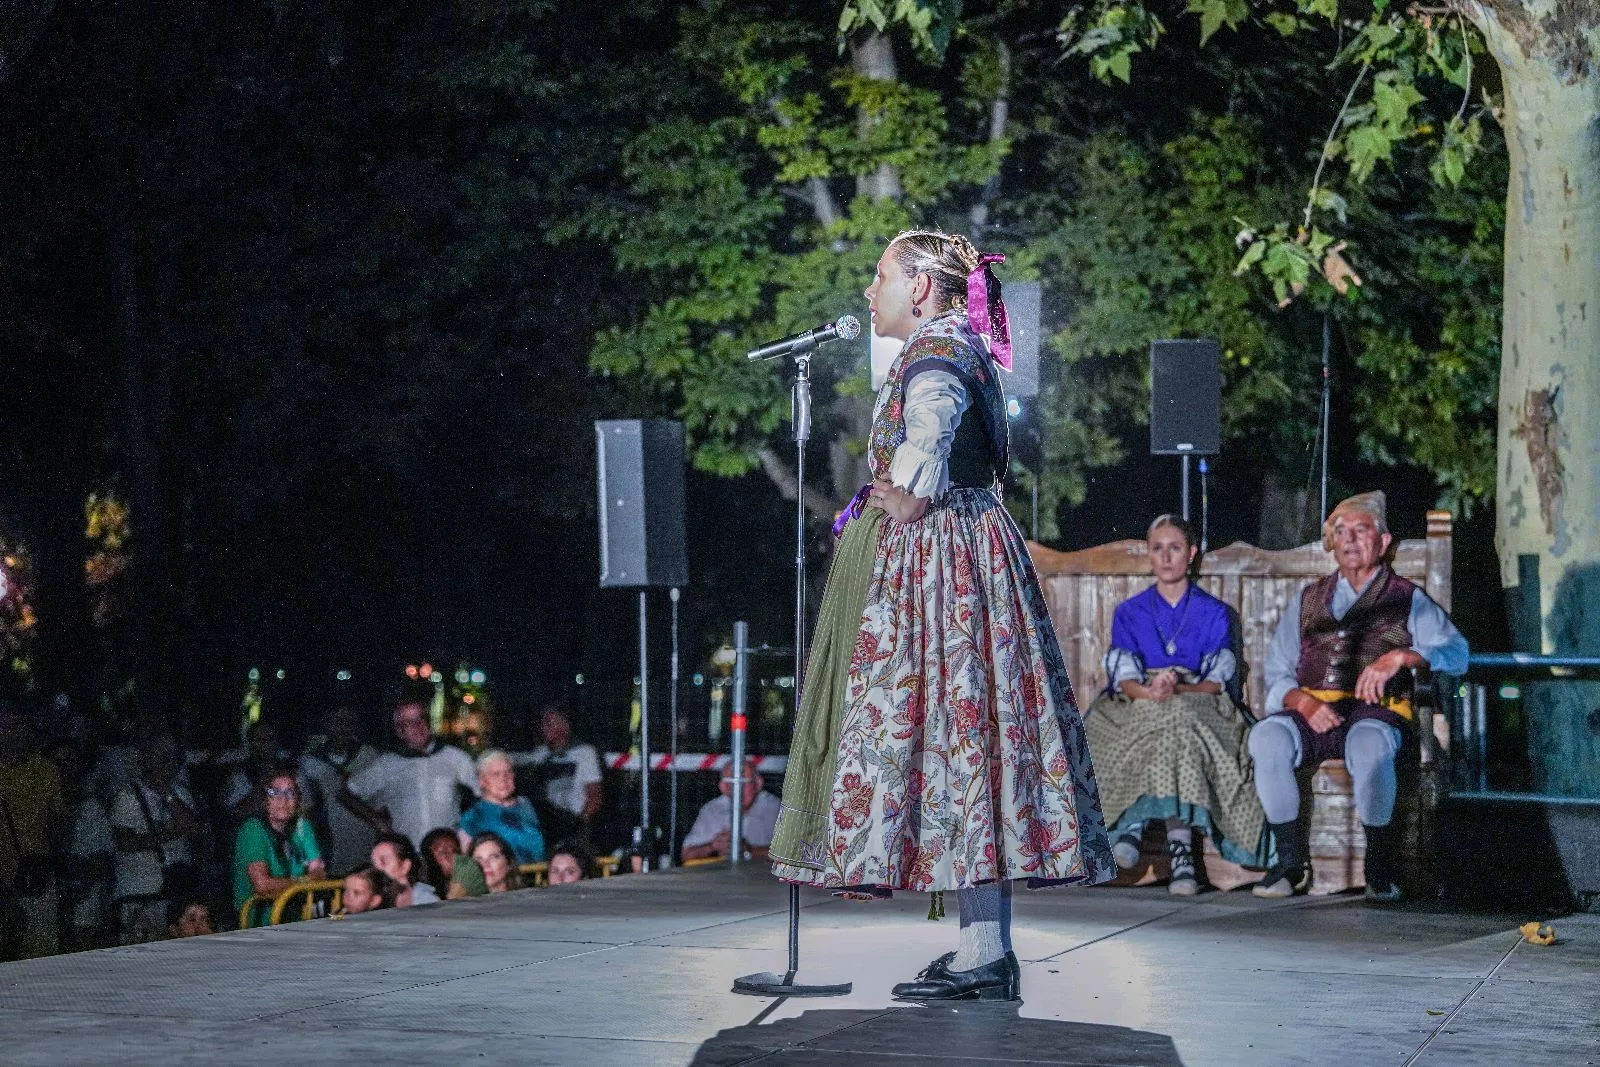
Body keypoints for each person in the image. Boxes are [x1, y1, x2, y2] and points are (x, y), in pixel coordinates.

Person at [768, 231, 1114, 1002]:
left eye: (881, 275)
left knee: (961, 743)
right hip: (958, 557)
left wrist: (905, 491)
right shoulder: (952, 342)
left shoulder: (938, 354)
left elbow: (929, 437)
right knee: (965, 749)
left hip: (944, 563)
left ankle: (987, 953)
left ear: (923, 285)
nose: (870, 290)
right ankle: (983, 948)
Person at [1249, 491, 1468, 902]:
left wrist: (1402, 656)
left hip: (1375, 713)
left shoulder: (1407, 597)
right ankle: (1290, 863)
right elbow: (1276, 673)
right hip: (1315, 712)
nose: (1349, 539)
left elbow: (1457, 653)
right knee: (1266, 738)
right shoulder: (1308, 599)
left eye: (1361, 530)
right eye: (1340, 531)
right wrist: (1303, 702)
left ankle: (1379, 868)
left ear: (1383, 543)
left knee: (1370, 745)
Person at [1083, 515, 1265, 895]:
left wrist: (1177, 688)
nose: (1166, 557)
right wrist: (1151, 692)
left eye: (1175, 548)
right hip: (1141, 698)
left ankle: (1173, 848)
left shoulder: (1213, 612)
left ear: (1191, 553)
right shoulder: (1130, 612)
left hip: (1195, 697)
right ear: (1148, 554)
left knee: (1177, 720)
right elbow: (1126, 679)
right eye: (1157, 548)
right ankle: (1133, 829)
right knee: (1123, 722)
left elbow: (1216, 682)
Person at [341, 696, 478, 849]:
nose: (419, 726)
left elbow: (481, 794)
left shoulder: (455, 757)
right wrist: (377, 822)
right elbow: (346, 794)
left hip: (447, 854)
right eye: (409, 723)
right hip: (407, 854)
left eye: (421, 719)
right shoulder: (387, 764)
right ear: (400, 731)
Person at [109, 734, 204, 945]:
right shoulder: (127, 796)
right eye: (161, 757)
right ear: (146, 759)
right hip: (140, 897)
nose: (166, 763)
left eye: (172, 757)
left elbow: (194, 829)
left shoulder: (181, 793)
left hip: (175, 895)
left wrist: (168, 795)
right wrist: (172, 832)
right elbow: (126, 842)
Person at [0, 701, 64, 960]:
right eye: (7, 727)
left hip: (36, 873)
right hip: (3, 873)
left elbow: (57, 820)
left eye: (19, 726)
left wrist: (54, 860)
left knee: (41, 948)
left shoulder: (46, 769)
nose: (14, 733)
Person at [232, 769, 327, 926]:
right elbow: (262, 885)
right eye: (274, 792)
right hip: (257, 923)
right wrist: (305, 881)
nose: (283, 799)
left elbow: (319, 873)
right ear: (265, 800)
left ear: (298, 800)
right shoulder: (252, 829)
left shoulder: (302, 826)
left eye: (290, 792)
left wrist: (304, 881)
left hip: (294, 920)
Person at [298, 705, 382, 875]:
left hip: (365, 854)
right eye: (337, 722)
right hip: (326, 854)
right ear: (327, 724)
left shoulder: (370, 757)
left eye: (349, 723)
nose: (343, 728)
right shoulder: (310, 763)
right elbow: (304, 812)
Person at [510, 705, 602, 846]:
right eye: (543, 723)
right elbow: (520, 759)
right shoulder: (543, 754)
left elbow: (594, 796)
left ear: (564, 725)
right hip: (549, 826)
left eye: (549, 722)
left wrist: (580, 826)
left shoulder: (584, 753)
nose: (543, 727)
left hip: (574, 823)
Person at [681, 758, 780, 863]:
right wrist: (712, 846)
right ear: (723, 787)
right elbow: (686, 855)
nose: (738, 790)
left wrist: (748, 850)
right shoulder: (712, 809)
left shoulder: (776, 808)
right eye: (732, 784)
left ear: (758, 784)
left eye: (744, 782)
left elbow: (793, 856)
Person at [458, 750, 546, 864]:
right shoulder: (472, 818)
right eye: (496, 774)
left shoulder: (528, 806)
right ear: (482, 781)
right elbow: (467, 864)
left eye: (508, 772)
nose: (504, 779)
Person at [370, 832, 439, 906]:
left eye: (384, 861)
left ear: (405, 866)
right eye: (374, 862)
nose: (377, 867)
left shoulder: (427, 901)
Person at [419, 826, 488, 900]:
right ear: (429, 858)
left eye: (456, 852)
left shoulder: (469, 878)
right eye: (444, 852)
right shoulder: (422, 893)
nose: (454, 857)